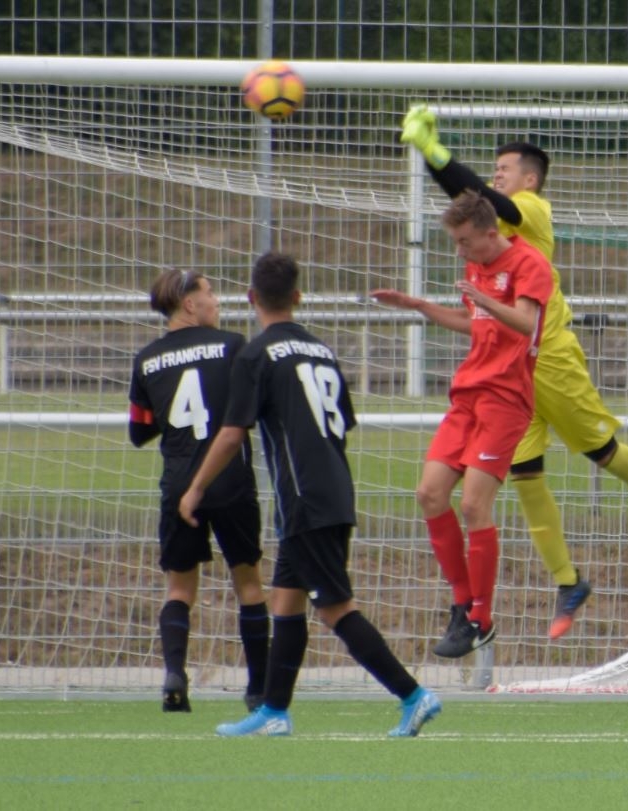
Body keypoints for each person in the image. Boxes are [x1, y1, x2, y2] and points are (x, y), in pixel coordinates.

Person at [402, 105, 628, 639]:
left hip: (550, 358)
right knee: (526, 473)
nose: (495, 177)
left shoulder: (532, 210)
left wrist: (434, 152)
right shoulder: (489, 234)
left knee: (602, 452)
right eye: (494, 170)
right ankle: (568, 581)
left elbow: (482, 200)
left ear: (530, 180)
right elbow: (472, 206)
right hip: (507, 374)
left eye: (504, 170)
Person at [181, 252, 439, 738]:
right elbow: (341, 423)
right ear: (298, 297)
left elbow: (233, 433)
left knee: (335, 607)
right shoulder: (321, 351)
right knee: (286, 601)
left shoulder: (256, 354)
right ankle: (274, 711)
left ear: (251, 298)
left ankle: (413, 695)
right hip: (334, 487)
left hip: (305, 499)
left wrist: (195, 488)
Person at [372, 192, 553, 659]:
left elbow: (525, 324)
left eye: (465, 241)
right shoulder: (476, 267)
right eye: (455, 242)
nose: (460, 251)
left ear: (491, 233)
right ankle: (461, 603)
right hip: (468, 394)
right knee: (429, 493)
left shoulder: (529, 264)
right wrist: (417, 305)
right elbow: (475, 323)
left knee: (474, 505)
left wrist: (485, 299)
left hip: (506, 400)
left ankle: (481, 619)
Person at [128, 268, 268, 713]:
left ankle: (175, 676)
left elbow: (139, 431)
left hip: (179, 484)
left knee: (179, 588)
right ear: (189, 303)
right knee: (248, 582)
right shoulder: (233, 345)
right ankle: (259, 688)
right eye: (210, 293)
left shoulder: (147, 359)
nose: (216, 300)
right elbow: (253, 408)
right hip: (231, 480)